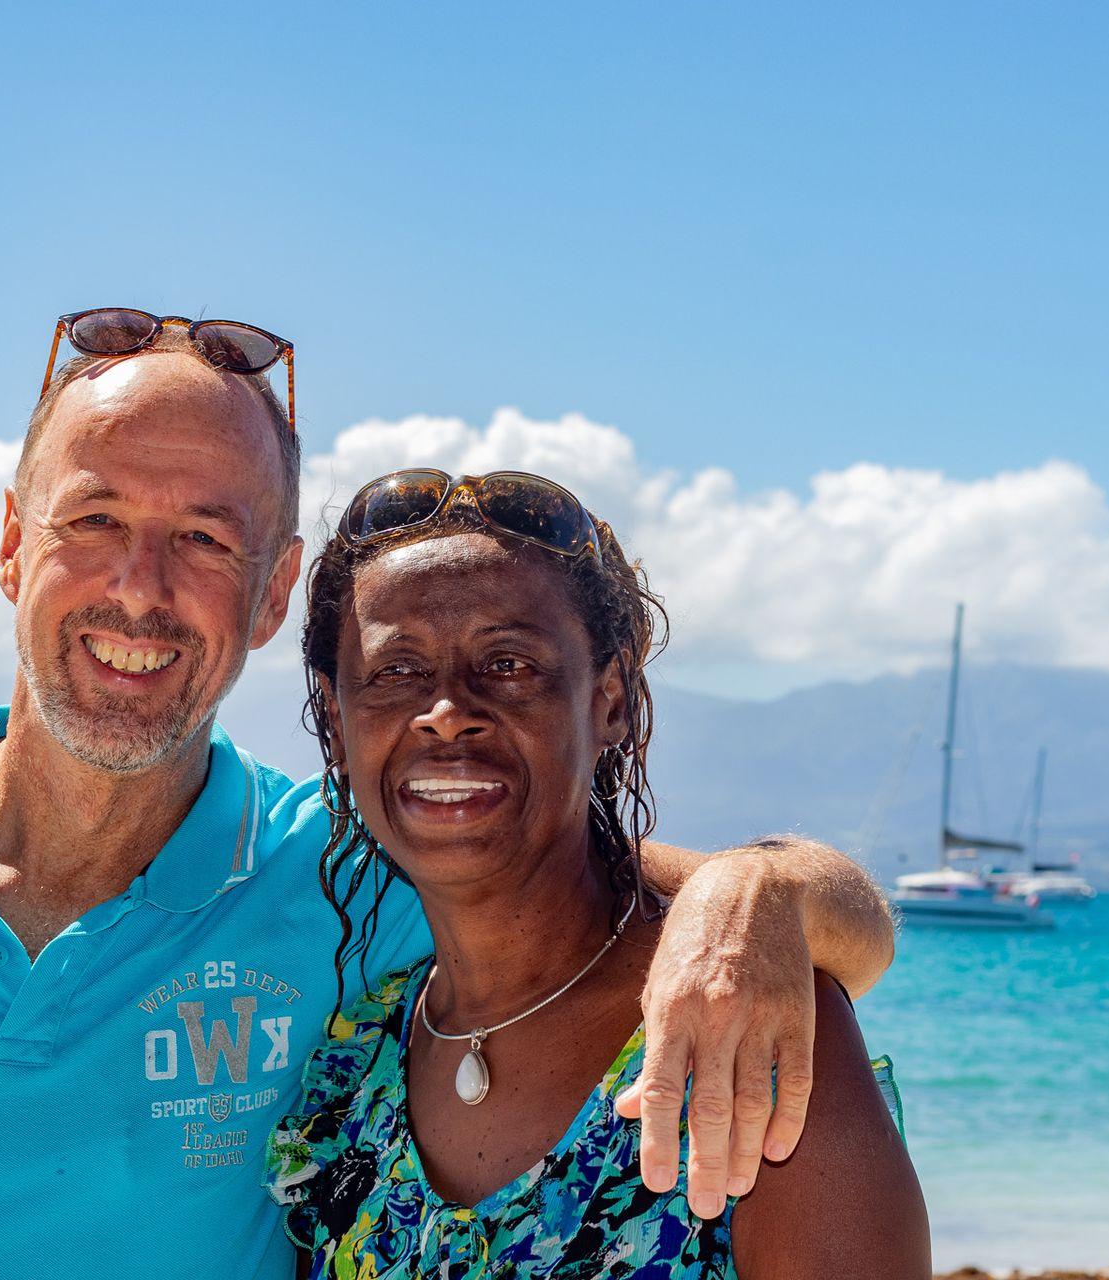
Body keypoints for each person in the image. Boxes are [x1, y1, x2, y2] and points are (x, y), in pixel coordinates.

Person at [0, 311, 900, 1279]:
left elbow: (782, 920)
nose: (139, 586)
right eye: (94, 519)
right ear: (14, 540)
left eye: (204, 535)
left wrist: (756, 888)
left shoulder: (354, 869)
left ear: (273, 590)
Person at [268, 468, 929, 1277]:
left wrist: (760, 885)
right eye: (395, 672)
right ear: (336, 723)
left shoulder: (739, 1023)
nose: (446, 710)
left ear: (610, 699)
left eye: (508, 664)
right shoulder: (349, 1067)